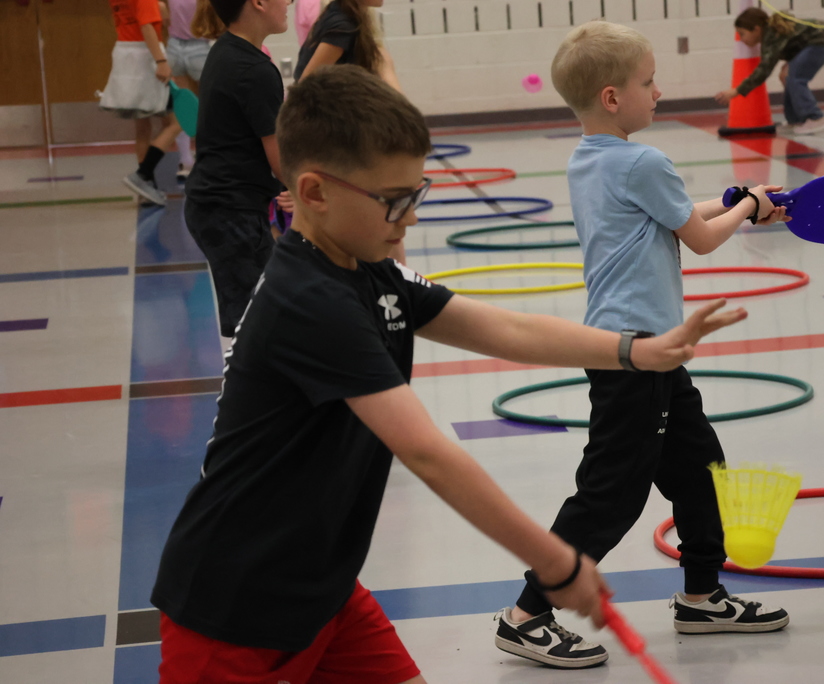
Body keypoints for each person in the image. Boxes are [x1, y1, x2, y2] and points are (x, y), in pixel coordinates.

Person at [150, 64, 749, 684]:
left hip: (323, 584)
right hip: (236, 605)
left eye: (417, 195)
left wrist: (636, 352)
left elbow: (505, 329)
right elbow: (427, 452)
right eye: (394, 202)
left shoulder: (368, 271)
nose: (409, 220)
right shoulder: (311, 302)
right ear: (315, 192)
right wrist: (555, 561)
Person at [493, 21, 791, 670]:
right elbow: (700, 239)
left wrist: (739, 200)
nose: (657, 92)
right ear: (612, 97)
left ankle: (702, 596)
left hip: (648, 352)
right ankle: (526, 613)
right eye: (648, 81)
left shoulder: (590, 158)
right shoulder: (644, 161)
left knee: (701, 469)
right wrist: (748, 209)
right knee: (611, 492)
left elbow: (673, 214)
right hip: (634, 354)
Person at [183, 0, 292, 342]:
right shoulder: (254, 70)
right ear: (258, 3)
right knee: (258, 324)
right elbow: (281, 161)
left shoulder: (226, 50)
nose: (289, 2)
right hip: (230, 212)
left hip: (217, 204)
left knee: (265, 314)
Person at [293, 0, 406, 261]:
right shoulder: (342, 25)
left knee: (388, 223)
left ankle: (397, 276)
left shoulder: (351, 20)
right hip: (333, 141)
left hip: (346, 136)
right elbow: (305, 85)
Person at [715, 7, 824, 135]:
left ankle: (816, 118)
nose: (741, 39)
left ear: (756, 29)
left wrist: (736, 91)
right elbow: (809, 25)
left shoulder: (771, 36)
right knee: (786, 76)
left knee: (795, 78)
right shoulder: (772, 30)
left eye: (742, 34)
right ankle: (795, 120)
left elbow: (764, 70)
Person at [102, 0, 184, 205]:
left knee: (142, 127)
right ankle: (143, 174)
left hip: (126, 57)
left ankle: (147, 187)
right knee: (176, 123)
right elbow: (147, 26)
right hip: (147, 59)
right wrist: (161, 62)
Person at [165, 0, 212, 181]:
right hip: (199, 46)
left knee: (183, 107)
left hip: (174, 47)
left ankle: (185, 161)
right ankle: (207, 157)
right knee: (208, 105)